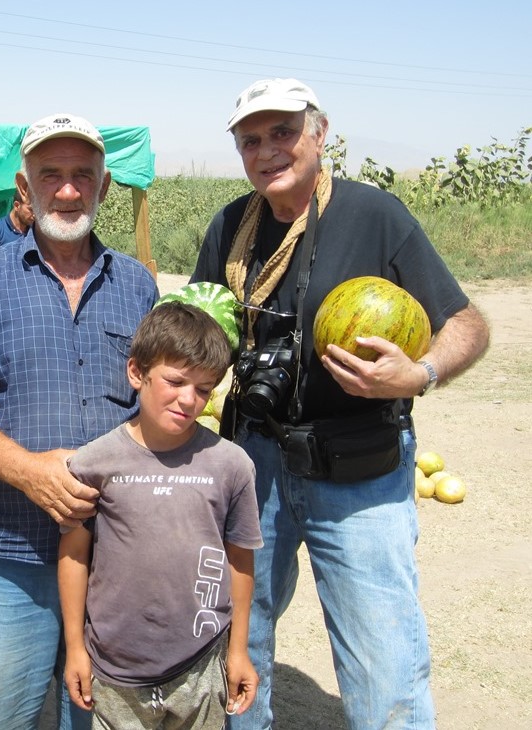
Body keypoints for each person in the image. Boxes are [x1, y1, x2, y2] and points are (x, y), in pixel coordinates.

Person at [190, 79, 490, 729]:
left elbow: (465, 322)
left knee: (383, 653)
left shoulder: (374, 215)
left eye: (283, 133)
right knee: (241, 631)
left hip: (358, 467)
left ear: (319, 133)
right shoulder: (228, 226)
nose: (268, 150)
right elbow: (200, 327)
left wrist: (421, 372)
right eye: (251, 139)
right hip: (255, 460)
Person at [0, 113, 159, 729]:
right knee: (6, 713)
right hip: (9, 549)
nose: (69, 189)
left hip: (114, 555)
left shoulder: (137, 286)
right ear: (24, 189)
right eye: (50, 174)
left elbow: (152, 408)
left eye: (84, 175)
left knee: (99, 712)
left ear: (104, 187)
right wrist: (29, 472)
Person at [59, 301, 262, 729]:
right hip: (116, 671)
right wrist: (75, 647)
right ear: (137, 373)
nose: (189, 400)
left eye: (205, 389)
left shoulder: (231, 465)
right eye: (175, 381)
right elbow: (75, 553)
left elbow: (240, 560)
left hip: (201, 665)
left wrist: (238, 650)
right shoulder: (95, 462)